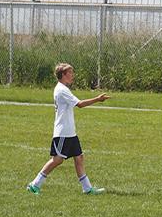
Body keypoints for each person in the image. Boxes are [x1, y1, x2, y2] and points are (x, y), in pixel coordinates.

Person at [26, 63, 110, 195]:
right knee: (57, 160)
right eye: (70, 73)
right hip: (63, 133)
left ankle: (87, 189)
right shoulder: (61, 90)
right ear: (63, 75)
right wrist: (98, 99)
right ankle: (34, 184)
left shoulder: (63, 88)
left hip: (70, 132)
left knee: (79, 157)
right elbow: (80, 104)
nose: (73, 76)